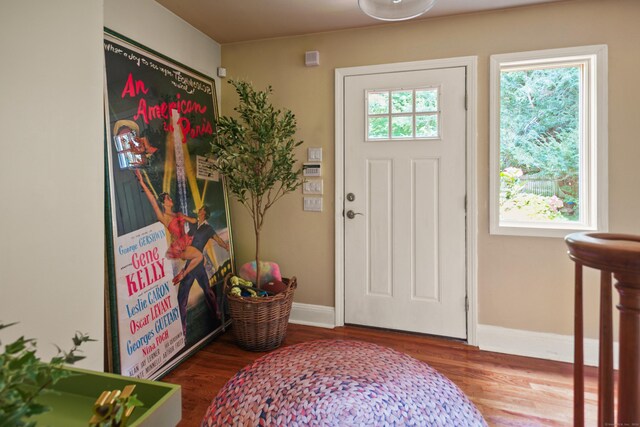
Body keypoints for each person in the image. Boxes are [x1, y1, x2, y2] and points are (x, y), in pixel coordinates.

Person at [134, 169, 202, 284]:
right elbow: (152, 201)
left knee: (202, 261)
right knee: (199, 256)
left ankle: (184, 272)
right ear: (163, 203)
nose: (170, 199)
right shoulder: (164, 217)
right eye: (168, 198)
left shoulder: (176, 214)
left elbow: (194, 220)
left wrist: (188, 218)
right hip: (180, 247)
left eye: (170, 197)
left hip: (187, 240)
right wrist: (141, 182)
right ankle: (183, 274)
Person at [177, 205, 230, 335]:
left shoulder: (208, 228)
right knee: (198, 291)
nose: (198, 210)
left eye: (201, 209)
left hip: (197, 262)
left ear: (204, 213)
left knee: (188, 293)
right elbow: (187, 240)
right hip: (192, 260)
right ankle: (183, 326)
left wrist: (226, 247)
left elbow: (217, 239)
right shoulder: (194, 225)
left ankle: (216, 312)